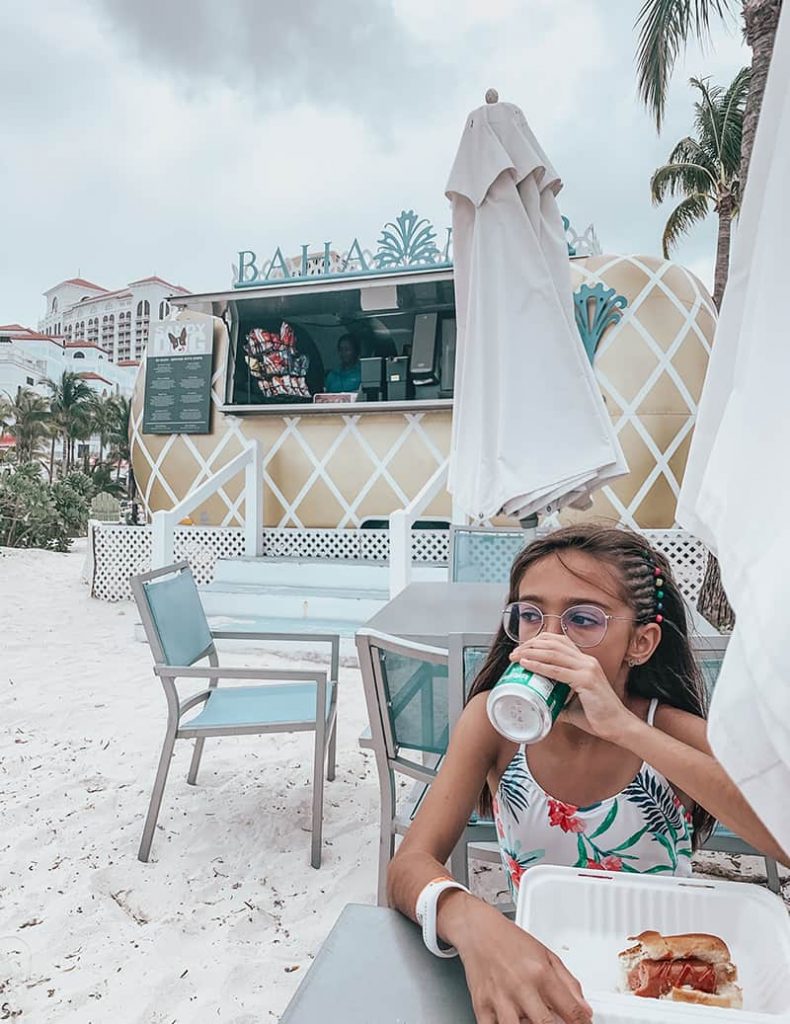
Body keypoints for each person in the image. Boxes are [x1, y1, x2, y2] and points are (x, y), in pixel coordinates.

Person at [388, 524, 787, 1024]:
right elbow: (408, 866)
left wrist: (624, 729)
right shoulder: (493, 724)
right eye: (531, 615)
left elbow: (782, 838)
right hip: (540, 969)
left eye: (582, 619)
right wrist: (471, 918)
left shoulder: (670, 732)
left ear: (639, 643)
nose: (550, 638)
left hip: (659, 984)